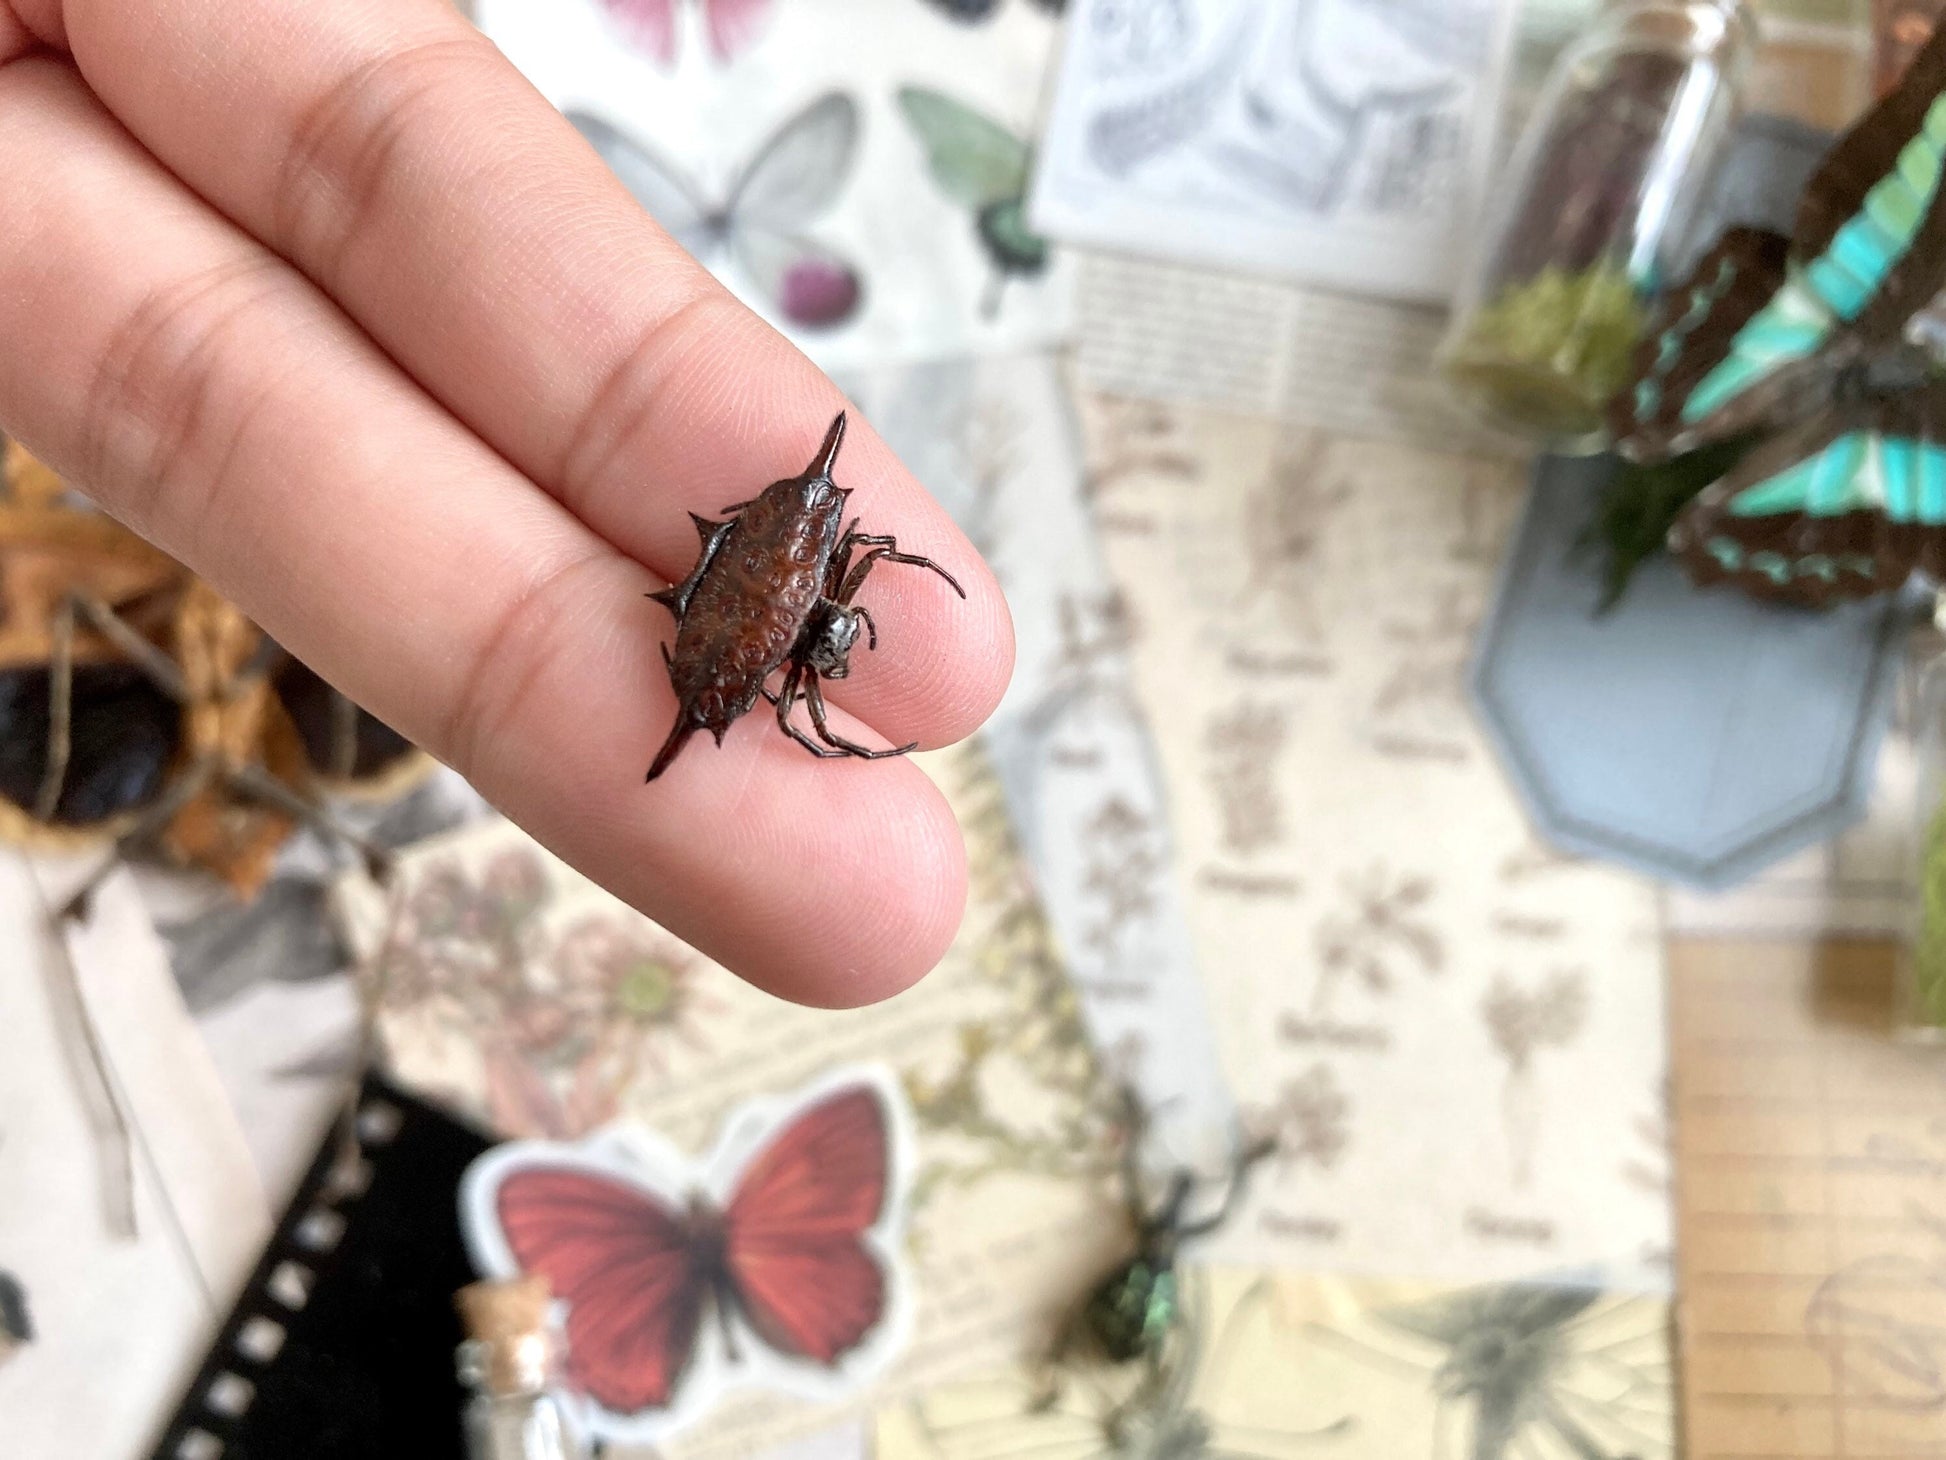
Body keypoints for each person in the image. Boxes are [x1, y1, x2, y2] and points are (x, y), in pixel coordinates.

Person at [0, 0, 1015, 1009]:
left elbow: (809, 703)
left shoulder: (799, 616)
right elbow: (816, 675)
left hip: (750, 603)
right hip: (759, 580)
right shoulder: (822, 566)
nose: (842, 643)